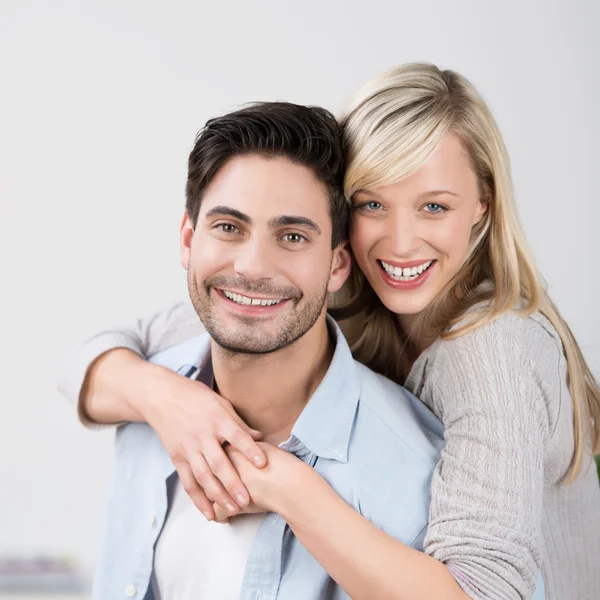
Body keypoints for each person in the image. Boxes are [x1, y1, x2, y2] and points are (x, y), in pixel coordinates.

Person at [58, 64, 600, 600]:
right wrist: (168, 400)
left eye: (434, 206)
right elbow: (96, 358)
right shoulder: (326, 288)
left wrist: (279, 480)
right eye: (372, 205)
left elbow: (487, 593)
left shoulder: (493, 351)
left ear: (483, 206)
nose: (401, 243)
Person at [89, 101, 447, 600]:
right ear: (189, 240)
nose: (253, 266)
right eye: (229, 227)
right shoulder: (146, 406)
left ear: (338, 265)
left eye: (293, 236)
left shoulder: (415, 470)